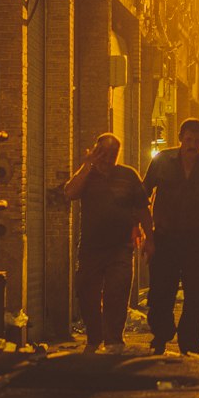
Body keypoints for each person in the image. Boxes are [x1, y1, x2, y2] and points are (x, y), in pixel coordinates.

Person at [143, 118, 199, 355]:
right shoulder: (162, 161)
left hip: (195, 239)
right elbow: (144, 192)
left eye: (196, 141)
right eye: (188, 139)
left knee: (195, 294)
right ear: (181, 139)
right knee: (161, 291)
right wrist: (141, 227)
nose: (192, 145)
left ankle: (190, 345)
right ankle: (161, 335)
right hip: (165, 238)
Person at [63, 132, 154, 354]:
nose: (107, 158)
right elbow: (70, 192)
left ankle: (114, 339)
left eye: (112, 153)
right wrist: (87, 166)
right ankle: (94, 338)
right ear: (95, 151)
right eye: (102, 152)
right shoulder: (87, 174)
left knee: (118, 292)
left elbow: (143, 208)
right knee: (87, 293)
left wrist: (150, 238)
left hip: (121, 247)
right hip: (91, 248)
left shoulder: (128, 176)